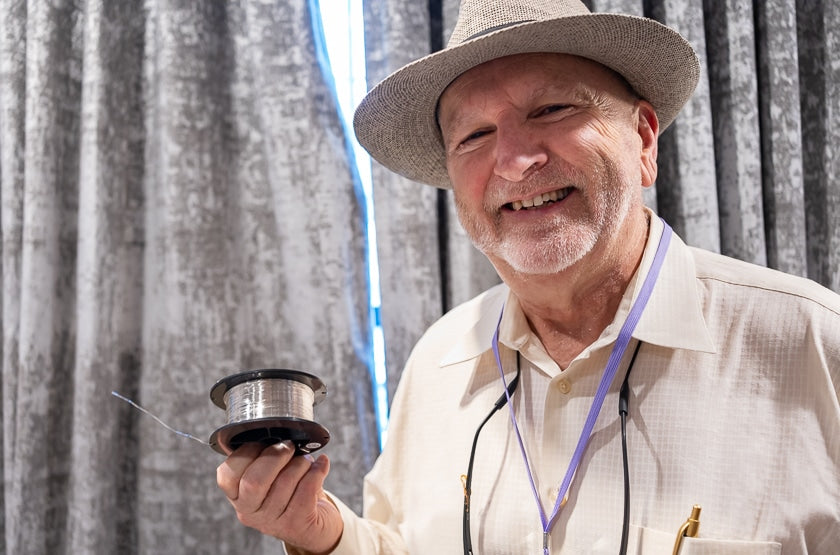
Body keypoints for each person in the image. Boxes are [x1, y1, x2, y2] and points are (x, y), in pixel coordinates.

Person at [216, 0, 840, 553]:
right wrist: (320, 533)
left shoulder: (813, 344)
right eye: (475, 136)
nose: (515, 161)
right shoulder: (439, 359)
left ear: (644, 140)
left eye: (552, 108)